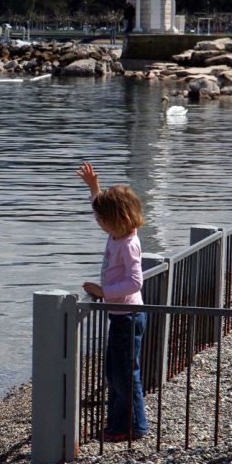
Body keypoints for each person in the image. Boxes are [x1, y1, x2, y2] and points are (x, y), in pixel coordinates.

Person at [76, 160, 148, 442]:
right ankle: (121, 424)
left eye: (102, 219)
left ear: (117, 220)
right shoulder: (118, 233)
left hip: (128, 316)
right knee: (116, 373)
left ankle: (131, 427)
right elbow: (102, 208)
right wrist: (95, 188)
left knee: (124, 375)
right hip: (121, 315)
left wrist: (103, 290)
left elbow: (135, 282)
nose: (98, 222)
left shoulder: (128, 244)